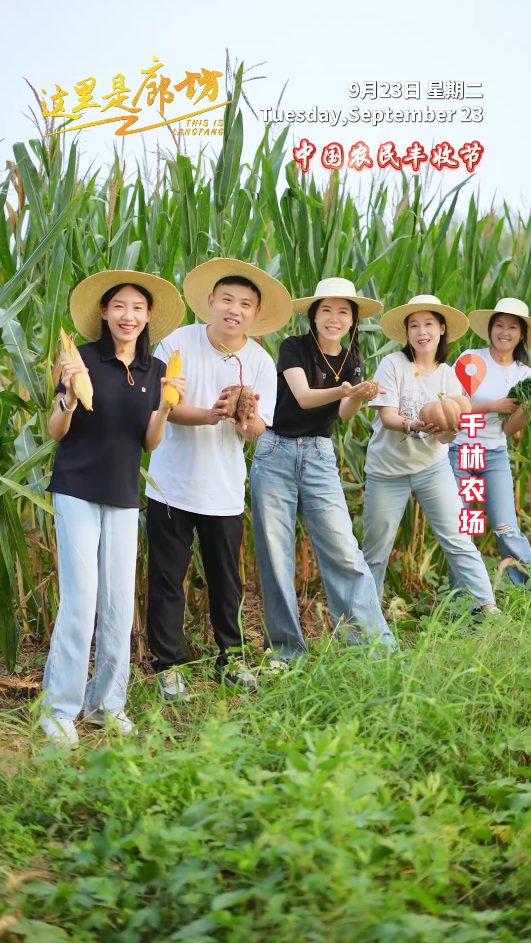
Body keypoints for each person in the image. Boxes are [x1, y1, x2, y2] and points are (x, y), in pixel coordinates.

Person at [41, 271, 185, 747]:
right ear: (104, 312)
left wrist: (166, 406)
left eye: (137, 308)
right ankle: (59, 709)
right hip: (77, 488)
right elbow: (56, 431)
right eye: (119, 306)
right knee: (81, 601)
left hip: (123, 495)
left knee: (120, 606)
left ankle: (106, 704)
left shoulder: (154, 369)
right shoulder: (80, 359)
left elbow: (149, 443)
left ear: (148, 317)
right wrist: (66, 393)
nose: (128, 316)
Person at [145, 258, 292, 698]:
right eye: (227, 299)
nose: (234, 309)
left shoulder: (261, 362)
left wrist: (243, 418)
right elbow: (161, 407)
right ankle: (166, 666)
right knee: (168, 578)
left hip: (224, 490)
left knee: (227, 581)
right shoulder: (176, 343)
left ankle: (230, 658)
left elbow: (258, 427)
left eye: (245, 304)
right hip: (170, 484)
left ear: (255, 313)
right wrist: (212, 414)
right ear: (209, 302)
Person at [249, 277, 397, 659]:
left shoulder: (353, 359)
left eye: (343, 312)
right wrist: (346, 391)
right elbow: (303, 396)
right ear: (313, 316)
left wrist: (358, 397)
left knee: (344, 550)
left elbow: (345, 415)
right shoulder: (293, 347)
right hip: (275, 452)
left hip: (318, 456)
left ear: (352, 321)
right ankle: (286, 652)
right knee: (276, 556)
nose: (334, 318)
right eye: (326, 310)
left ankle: (372, 649)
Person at [362, 294, 499, 613]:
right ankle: (366, 617)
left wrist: (446, 430)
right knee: (376, 550)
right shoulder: (393, 364)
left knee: (459, 537)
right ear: (407, 333)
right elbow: (387, 416)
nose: (421, 331)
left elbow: (452, 431)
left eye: (428, 324)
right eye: (413, 325)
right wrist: (417, 426)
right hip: (387, 472)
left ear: (441, 329)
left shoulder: (450, 375)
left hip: (432, 469)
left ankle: (487, 607)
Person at [449, 298, 531, 585]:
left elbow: (507, 429)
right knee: (465, 528)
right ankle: (463, 599)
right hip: (464, 449)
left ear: (521, 334)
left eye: (512, 327)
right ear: (490, 329)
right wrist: (493, 405)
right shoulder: (471, 359)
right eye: (499, 325)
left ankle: (525, 589)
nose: (504, 332)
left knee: (505, 526)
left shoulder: (524, 374)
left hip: (494, 454)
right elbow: (453, 407)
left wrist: (527, 412)